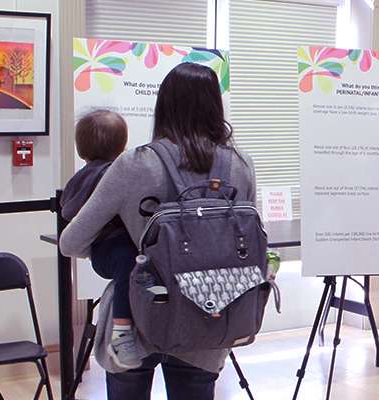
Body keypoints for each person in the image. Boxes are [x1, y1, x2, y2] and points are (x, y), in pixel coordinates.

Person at [60, 62, 257, 400]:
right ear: (215, 106)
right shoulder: (239, 164)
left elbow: (71, 242)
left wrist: (120, 249)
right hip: (210, 317)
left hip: (135, 321)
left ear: (163, 106)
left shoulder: (135, 164)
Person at [59, 109, 143, 369]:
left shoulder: (79, 178)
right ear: (122, 146)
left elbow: (67, 210)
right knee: (128, 265)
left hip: (101, 250)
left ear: (81, 148)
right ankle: (121, 332)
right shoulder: (111, 174)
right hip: (115, 253)